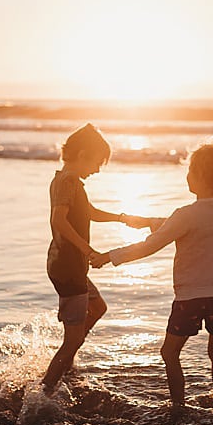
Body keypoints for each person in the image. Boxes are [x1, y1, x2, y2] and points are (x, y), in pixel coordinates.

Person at [105, 142, 213, 414]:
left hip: (190, 297)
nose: (186, 175)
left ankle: (178, 406)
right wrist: (148, 220)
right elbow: (189, 223)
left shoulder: (185, 214)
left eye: (190, 170)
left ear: (199, 175)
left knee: (169, 353)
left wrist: (111, 256)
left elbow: (152, 245)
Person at [41, 124, 155, 393]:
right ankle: (44, 391)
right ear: (82, 155)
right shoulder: (67, 181)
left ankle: (67, 359)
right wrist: (87, 250)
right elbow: (59, 220)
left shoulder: (68, 181)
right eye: (96, 162)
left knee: (98, 308)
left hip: (70, 266)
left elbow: (88, 211)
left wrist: (121, 218)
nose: (97, 169)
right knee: (72, 339)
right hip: (68, 267)